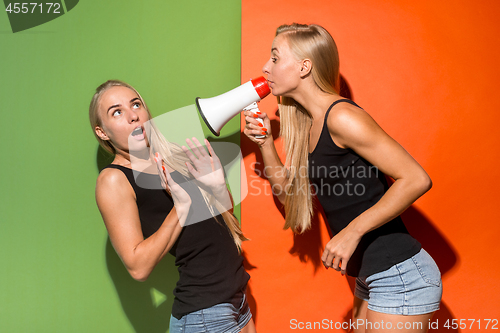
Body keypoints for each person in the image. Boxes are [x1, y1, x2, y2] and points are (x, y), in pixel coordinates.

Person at [244, 23, 442, 333]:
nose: (265, 67)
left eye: (275, 58)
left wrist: (352, 232)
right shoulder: (308, 125)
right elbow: (287, 195)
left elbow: (416, 178)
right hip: (370, 276)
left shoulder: (342, 117)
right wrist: (266, 144)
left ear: (304, 67)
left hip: (401, 276)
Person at [90, 80, 256, 333]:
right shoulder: (113, 179)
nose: (133, 116)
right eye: (117, 112)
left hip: (237, 301)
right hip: (206, 314)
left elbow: (220, 223)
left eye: (136, 104)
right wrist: (181, 205)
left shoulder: (171, 157)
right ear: (102, 132)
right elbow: (138, 267)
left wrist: (218, 186)